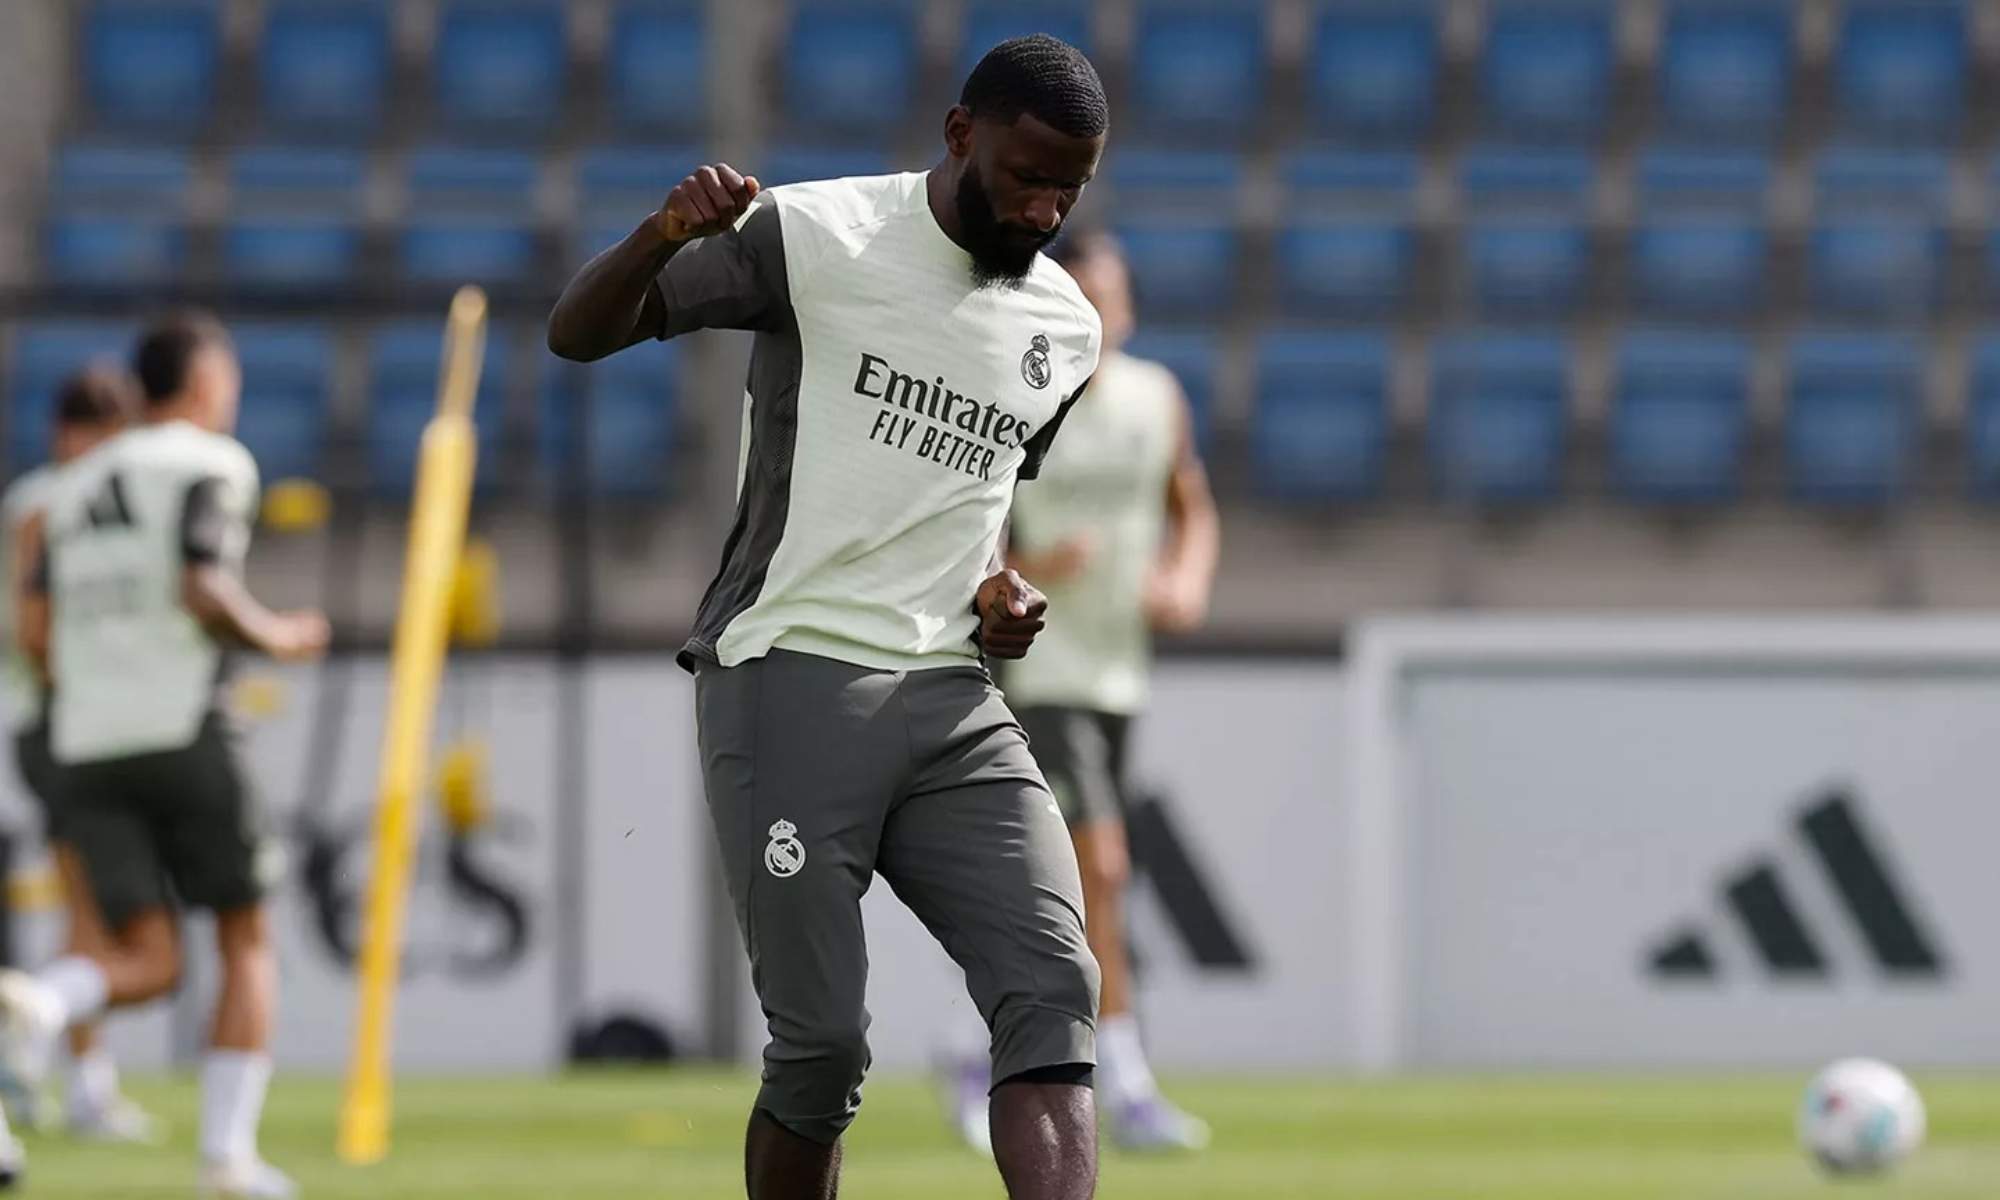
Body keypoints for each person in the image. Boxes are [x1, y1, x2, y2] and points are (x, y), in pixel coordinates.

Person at [549, 33, 1110, 1200]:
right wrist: (662, 235)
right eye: (1026, 175)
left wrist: (998, 588)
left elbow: (976, 503)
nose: (1045, 207)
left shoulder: (1063, 332)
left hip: (956, 703)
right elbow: (580, 331)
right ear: (960, 135)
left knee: (1053, 993)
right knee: (822, 1049)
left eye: (1071, 187)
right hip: (791, 675)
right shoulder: (815, 237)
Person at [0, 313, 330, 1199]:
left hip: (84, 740)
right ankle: (226, 1159)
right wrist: (280, 636)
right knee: (246, 935)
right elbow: (201, 584)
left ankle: (37, 1002)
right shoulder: (211, 463)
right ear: (203, 379)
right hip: (181, 726)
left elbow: (34, 630)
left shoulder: (63, 490)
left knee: (148, 959)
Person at [944, 230, 1220, 1153]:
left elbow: (1192, 502)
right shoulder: (1021, 395)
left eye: (1113, 298)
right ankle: (1123, 1075)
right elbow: (963, 531)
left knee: (1054, 883)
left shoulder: (1157, 398)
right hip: (1043, 669)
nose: (1100, 316)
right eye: (1083, 299)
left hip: (1118, 670)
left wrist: (1185, 580)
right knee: (1099, 869)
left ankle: (973, 1049)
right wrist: (1031, 565)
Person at [1, 363, 156, 1143]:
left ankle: (65, 1072)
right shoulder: (60, 505)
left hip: (45, 728)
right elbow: (35, 633)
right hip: (67, 726)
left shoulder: (29, 501)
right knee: (98, 915)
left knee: (86, 909)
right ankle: (65, 1064)